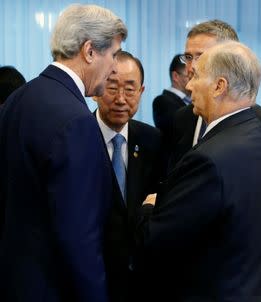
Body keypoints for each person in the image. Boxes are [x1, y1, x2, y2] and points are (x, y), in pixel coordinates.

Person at [137, 41, 261, 302]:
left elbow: (156, 241)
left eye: (195, 75)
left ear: (219, 86)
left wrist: (149, 208)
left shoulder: (207, 159)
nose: (188, 85)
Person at [0, 4, 127, 302]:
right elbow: (79, 237)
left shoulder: (20, 98)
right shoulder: (76, 121)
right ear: (89, 51)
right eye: (114, 55)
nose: (114, 68)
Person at [92, 50, 163, 302]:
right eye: (112, 88)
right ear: (98, 87)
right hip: (92, 276)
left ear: (141, 92)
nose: (121, 99)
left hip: (141, 279)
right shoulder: (79, 138)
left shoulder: (154, 141)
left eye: (130, 90)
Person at [169, 19, 261, 171]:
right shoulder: (182, 118)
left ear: (231, 60)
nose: (192, 67)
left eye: (201, 56)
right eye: (188, 57)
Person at [152, 54, 190, 142]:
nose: (193, 80)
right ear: (176, 76)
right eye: (189, 76)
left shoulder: (192, 100)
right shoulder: (162, 101)